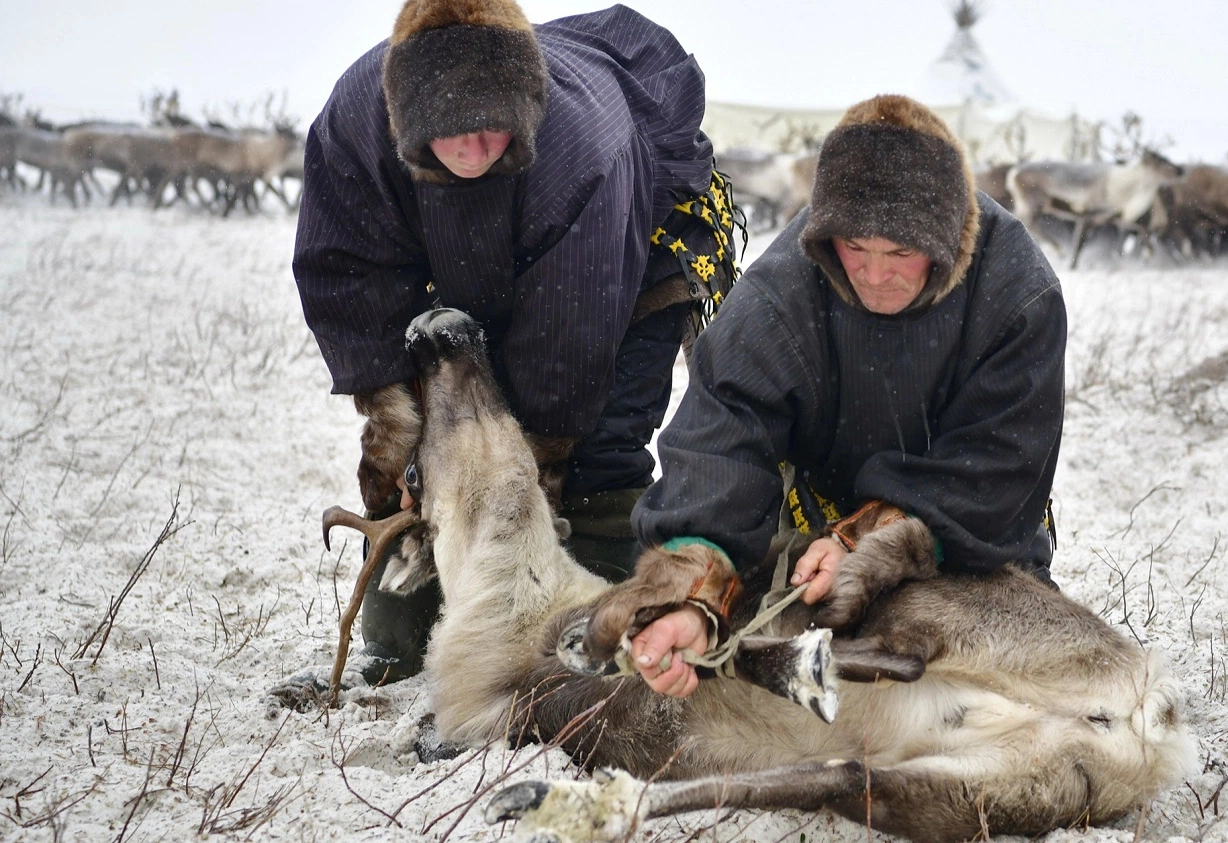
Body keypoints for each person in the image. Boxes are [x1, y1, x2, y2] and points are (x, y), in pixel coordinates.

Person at [292, 0, 736, 683]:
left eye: (493, 131)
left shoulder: (582, 150)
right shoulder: (356, 124)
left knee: (598, 449)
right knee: (430, 457)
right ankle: (397, 642)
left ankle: (601, 641)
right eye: (452, 135)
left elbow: (568, 349)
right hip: (460, 251)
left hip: (631, 251)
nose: (474, 151)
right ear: (410, 120)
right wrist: (404, 444)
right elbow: (352, 275)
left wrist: (533, 468)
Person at [624, 95, 1067, 698]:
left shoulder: (1017, 294)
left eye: (901, 254)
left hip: (967, 533)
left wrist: (867, 544)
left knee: (987, 692)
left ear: (947, 244)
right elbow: (722, 441)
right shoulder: (781, 294)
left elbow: (1001, 464)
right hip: (816, 520)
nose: (874, 274)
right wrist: (691, 592)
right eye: (854, 248)